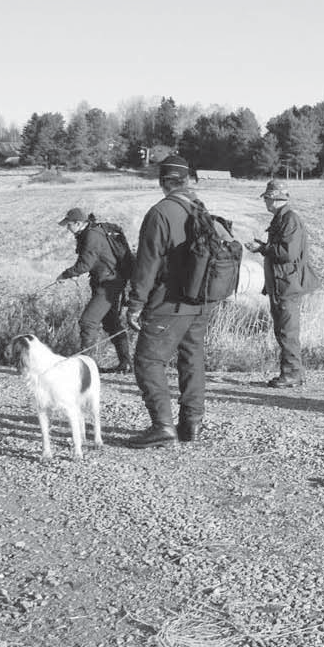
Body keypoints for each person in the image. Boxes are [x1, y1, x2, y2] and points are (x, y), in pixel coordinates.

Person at [124, 155, 218, 448]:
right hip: (200, 301)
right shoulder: (199, 208)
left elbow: (147, 264)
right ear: (187, 180)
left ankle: (163, 427)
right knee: (192, 359)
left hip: (170, 302)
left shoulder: (160, 213)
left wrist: (135, 304)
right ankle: (191, 424)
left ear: (163, 182)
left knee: (148, 360)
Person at [246, 179, 320, 388]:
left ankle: (292, 374)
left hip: (288, 284)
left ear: (274, 199)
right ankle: (291, 373)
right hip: (282, 284)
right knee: (283, 330)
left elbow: (288, 253)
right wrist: (264, 246)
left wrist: (262, 249)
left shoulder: (289, 219)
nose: (266, 202)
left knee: (287, 331)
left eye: (267, 198)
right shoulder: (283, 218)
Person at [56, 208, 132, 373]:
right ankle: (125, 363)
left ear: (77, 223)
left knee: (88, 321)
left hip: (108, 285)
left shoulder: (91, 236)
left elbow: (84, 265)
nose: (67, 228)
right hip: (108, 282)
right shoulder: (90, 233)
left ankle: (87, 367)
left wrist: (66, 274)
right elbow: (88, 263)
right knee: (111, 323)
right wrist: (74, 273)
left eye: (68, 224)